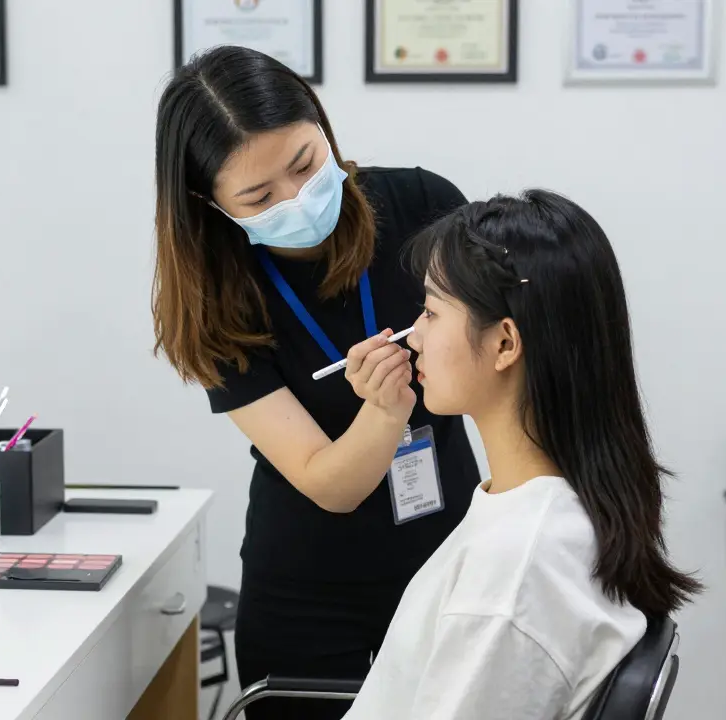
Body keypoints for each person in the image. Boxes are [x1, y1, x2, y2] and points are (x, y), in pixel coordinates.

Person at [151, 46, 482, 719]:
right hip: (305, 584)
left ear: (323, 128)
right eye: (258, 195)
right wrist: (383, 412)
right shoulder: (219, 297)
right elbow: (330, 482)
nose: (296, 199)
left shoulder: (422, 205)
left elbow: (509, 362)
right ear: (209, 203)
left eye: (304, 164)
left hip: (447, 553)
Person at [342, 190, 702, 719]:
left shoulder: (511, 578)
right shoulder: (556, 510)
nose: (411, 337)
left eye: (431, 312)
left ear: (505, 344)